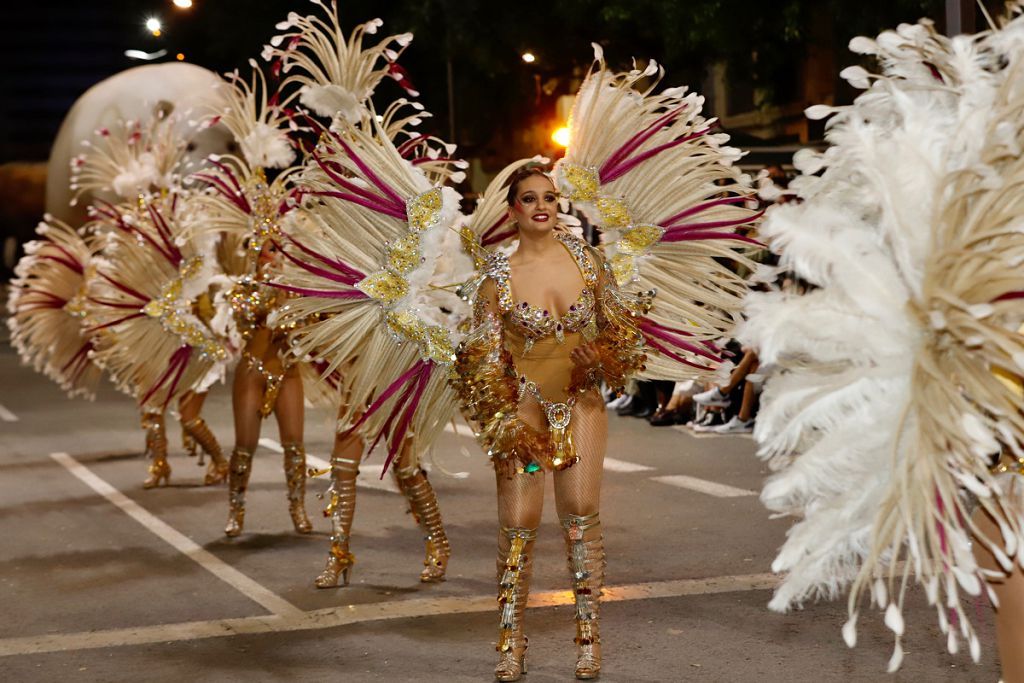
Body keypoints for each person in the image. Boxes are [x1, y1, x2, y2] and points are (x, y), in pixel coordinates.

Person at [454, 168, 648, 681]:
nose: (542, 205)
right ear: (513, 210)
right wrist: (504, 416)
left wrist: (599, 356)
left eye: (549, 197)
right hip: (522, 407)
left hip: (579, 398)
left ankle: (588, 640)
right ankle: (510, 645)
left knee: (581, 512)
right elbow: (479, 360)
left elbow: (623, 337)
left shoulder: (589, 261)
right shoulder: (495, 276)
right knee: (518, 522)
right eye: (529, 198)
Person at [223, 240, 312, 537]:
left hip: (287, 373)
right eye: (265, 250)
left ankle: (298, 508)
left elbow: (311, 322)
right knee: (245, 447)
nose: (271, 257)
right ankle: (236, 510)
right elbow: (245, 315)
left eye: (277, 250)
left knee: (295, 447)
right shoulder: (245, 289)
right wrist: (269, 292)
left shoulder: (298, 289)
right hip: (252, 373)